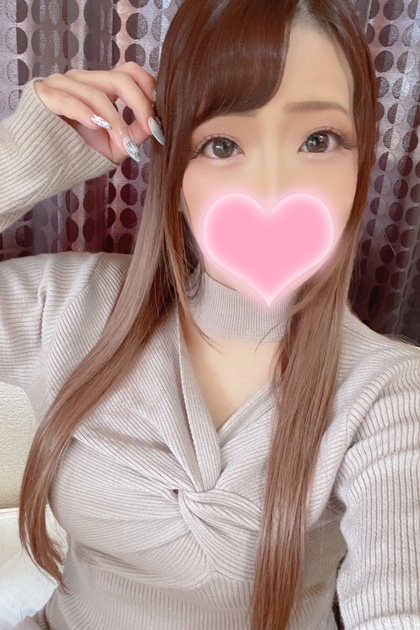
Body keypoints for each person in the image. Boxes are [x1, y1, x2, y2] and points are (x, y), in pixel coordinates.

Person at [0, 0, 419, 628]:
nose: (273, 188)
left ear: (360, 166)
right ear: (173, 173)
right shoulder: (62, 307)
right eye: (222, 144)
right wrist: (16, 162)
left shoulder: (389, 396)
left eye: (318, 140)